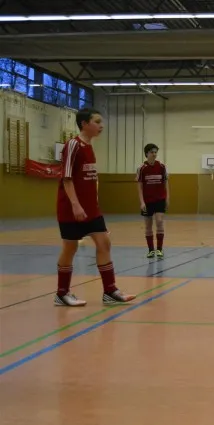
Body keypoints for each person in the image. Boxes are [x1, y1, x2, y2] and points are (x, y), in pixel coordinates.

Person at [55, 108, 136, 307]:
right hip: (71, 208)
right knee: (70, 247)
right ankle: (62, 294)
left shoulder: (90, 147)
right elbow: (66, 179)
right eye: (97, 121)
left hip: (92, 209)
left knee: (104, 243)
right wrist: (75, 205)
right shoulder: (73, 145)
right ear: (84, 124)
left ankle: (110, 291)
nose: (101, 125)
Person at [136, 143, 170, 258]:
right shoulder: (142, 168)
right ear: (147, 154)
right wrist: (142, 202)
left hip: (160, 199)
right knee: (148, 225)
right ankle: (151, 250)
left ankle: (159, 249)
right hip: (147, 201)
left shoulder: (162, 167)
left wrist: (167, 198)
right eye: (152, 152)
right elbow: (140, 186)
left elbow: (166, 183)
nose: (154, 154)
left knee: (159, 221)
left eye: (155, 152)